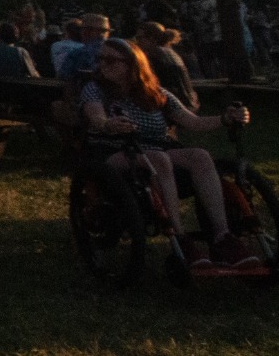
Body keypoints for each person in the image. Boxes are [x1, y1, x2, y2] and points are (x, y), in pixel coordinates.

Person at [81, 37, 256, 267]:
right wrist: (107, 124)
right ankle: (179, 237)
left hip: (154, 149)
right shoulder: (95, 90)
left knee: (200, 155)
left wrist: (225, 118)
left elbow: (192, 122)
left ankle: (223, 236)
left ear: (132, 64)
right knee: (159, 159)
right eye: (100, 59)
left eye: (111, 60)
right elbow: (96, 117)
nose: (102, 65)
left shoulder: (157, 94)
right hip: (114, 152)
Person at [135, 21, 199, 112]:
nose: (137, 42)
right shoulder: (171, 53)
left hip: (173, 106)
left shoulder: (153, 55)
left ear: (152, 39)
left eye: (140, 38)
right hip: (189, 102)